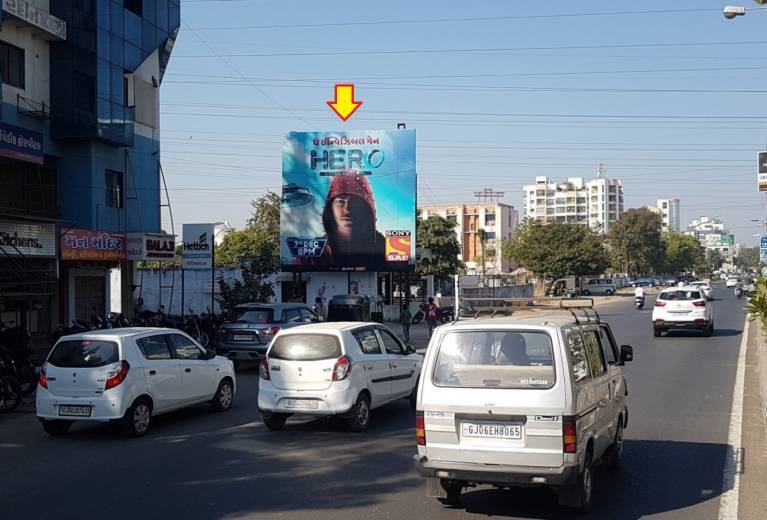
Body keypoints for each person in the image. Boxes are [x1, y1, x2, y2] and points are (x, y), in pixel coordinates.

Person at [299, 175, 387, 268]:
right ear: (330, 208)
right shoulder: (310, 254)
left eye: (354, 202)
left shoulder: (385, 248)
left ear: (366, 208)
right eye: (341, 201)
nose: (347, 209)